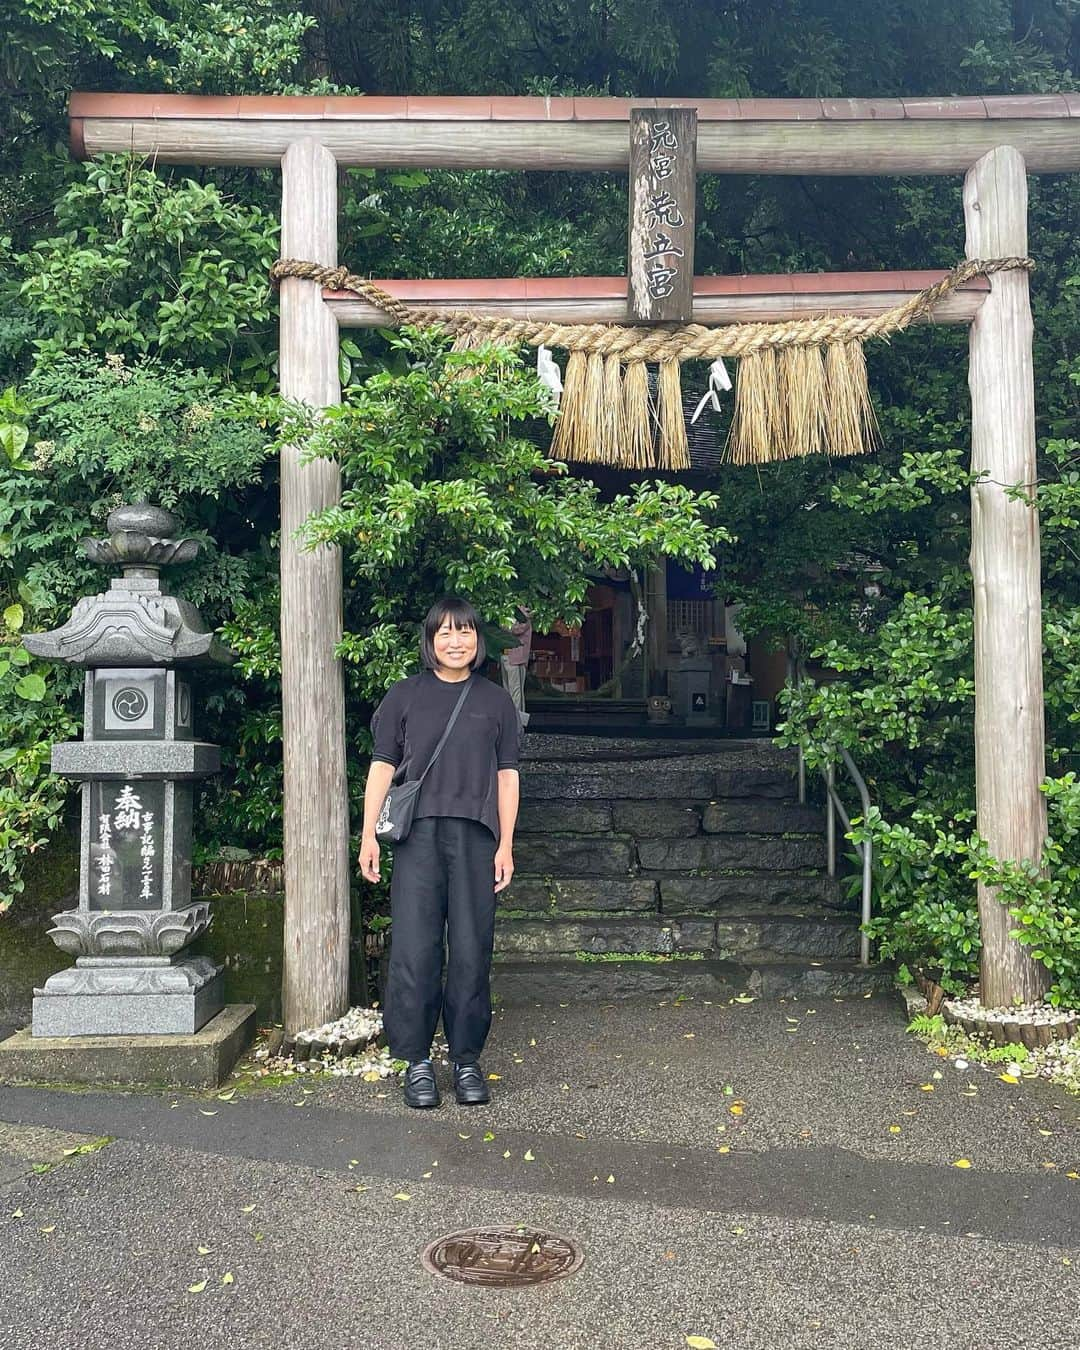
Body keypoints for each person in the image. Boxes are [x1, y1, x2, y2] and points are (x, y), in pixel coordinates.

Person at [358, 596, 521, 1109]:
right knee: (414, 948)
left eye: (466, 632)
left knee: (473, 950)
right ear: (430, 641)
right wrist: (367, 836)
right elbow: (383, 768)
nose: (457, 641)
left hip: (476, 837)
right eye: (446, 632)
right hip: (418, 839)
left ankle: (467, 1060)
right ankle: (418, 1062)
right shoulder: (404, 696)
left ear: (478, 640)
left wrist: (506, 844)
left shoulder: (496, 702)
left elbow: (507, 775)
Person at [500, 604, 532, 734]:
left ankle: (515, 724)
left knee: (514, 692)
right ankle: (517, 724)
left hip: (514, 658)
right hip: (511, 657)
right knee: (512, 691)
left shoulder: (522, 613)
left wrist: (502, 625)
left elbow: (516, 629)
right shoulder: (514, 610)